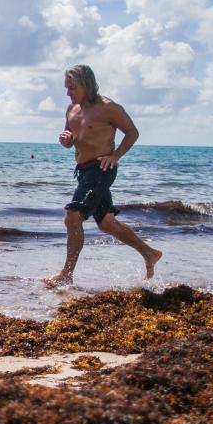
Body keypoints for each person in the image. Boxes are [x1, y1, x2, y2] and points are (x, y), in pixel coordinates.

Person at [43, 65, 162, 286]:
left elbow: (132, 132)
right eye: (67, 88)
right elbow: (71, 139)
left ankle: (66, 274)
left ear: (87, 85)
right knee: (107, 223)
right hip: (83, 171)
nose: (68, 92)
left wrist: (116, 156)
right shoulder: (71, 109)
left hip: (101, 169)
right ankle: (149, 253)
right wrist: (66, 140)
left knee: (73, 216)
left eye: (72, 88)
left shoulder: (108, 108)